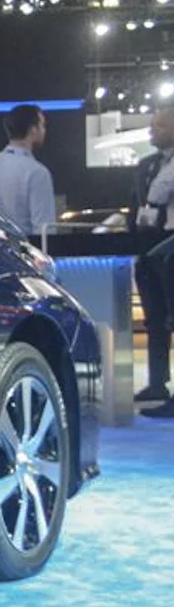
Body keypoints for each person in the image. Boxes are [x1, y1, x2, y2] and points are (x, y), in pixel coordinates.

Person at [132, 108, 174, 418]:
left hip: (170, 247)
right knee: (155, 320)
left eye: (159, 125)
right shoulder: (147, 165)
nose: (152, 131)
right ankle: (157, 383)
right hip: (148, 250)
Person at [0, 104, 56, 242]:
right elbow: (44, 230)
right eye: (43, 125)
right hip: (22, 255)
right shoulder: (37, 172)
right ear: (33, 130)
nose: (44, 131)